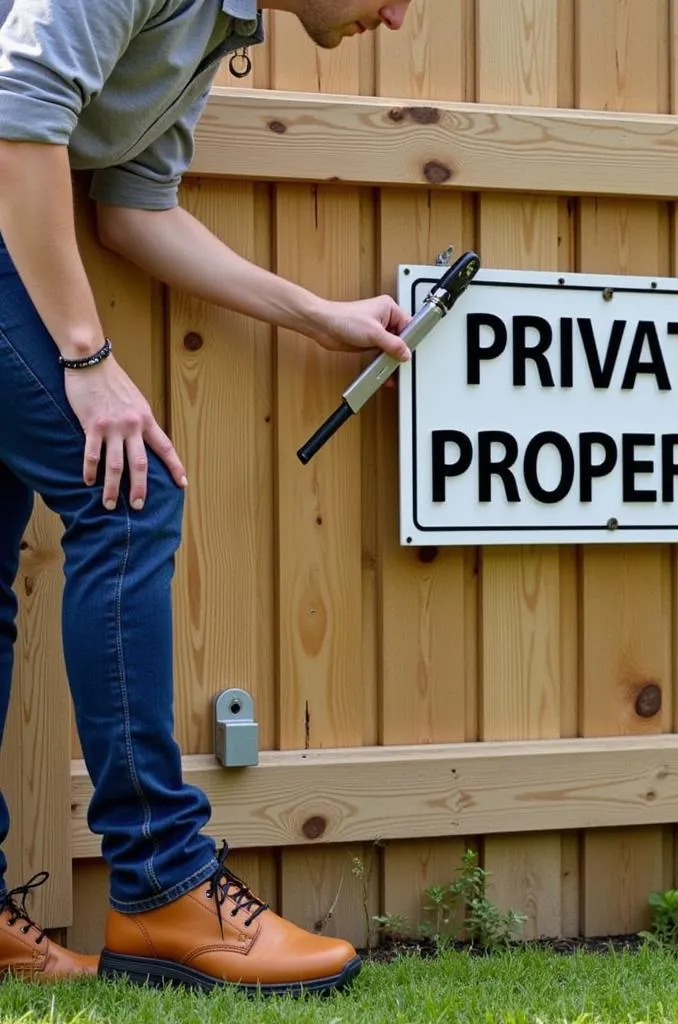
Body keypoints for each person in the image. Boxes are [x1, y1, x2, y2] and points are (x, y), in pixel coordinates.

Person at [0, 0, 413, 995]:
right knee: (126, 499)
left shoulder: (214, 25)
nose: (397, 15)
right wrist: (86, 356)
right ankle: (161, 883)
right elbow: (16, 114)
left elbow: (134, 209)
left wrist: (316, 317)